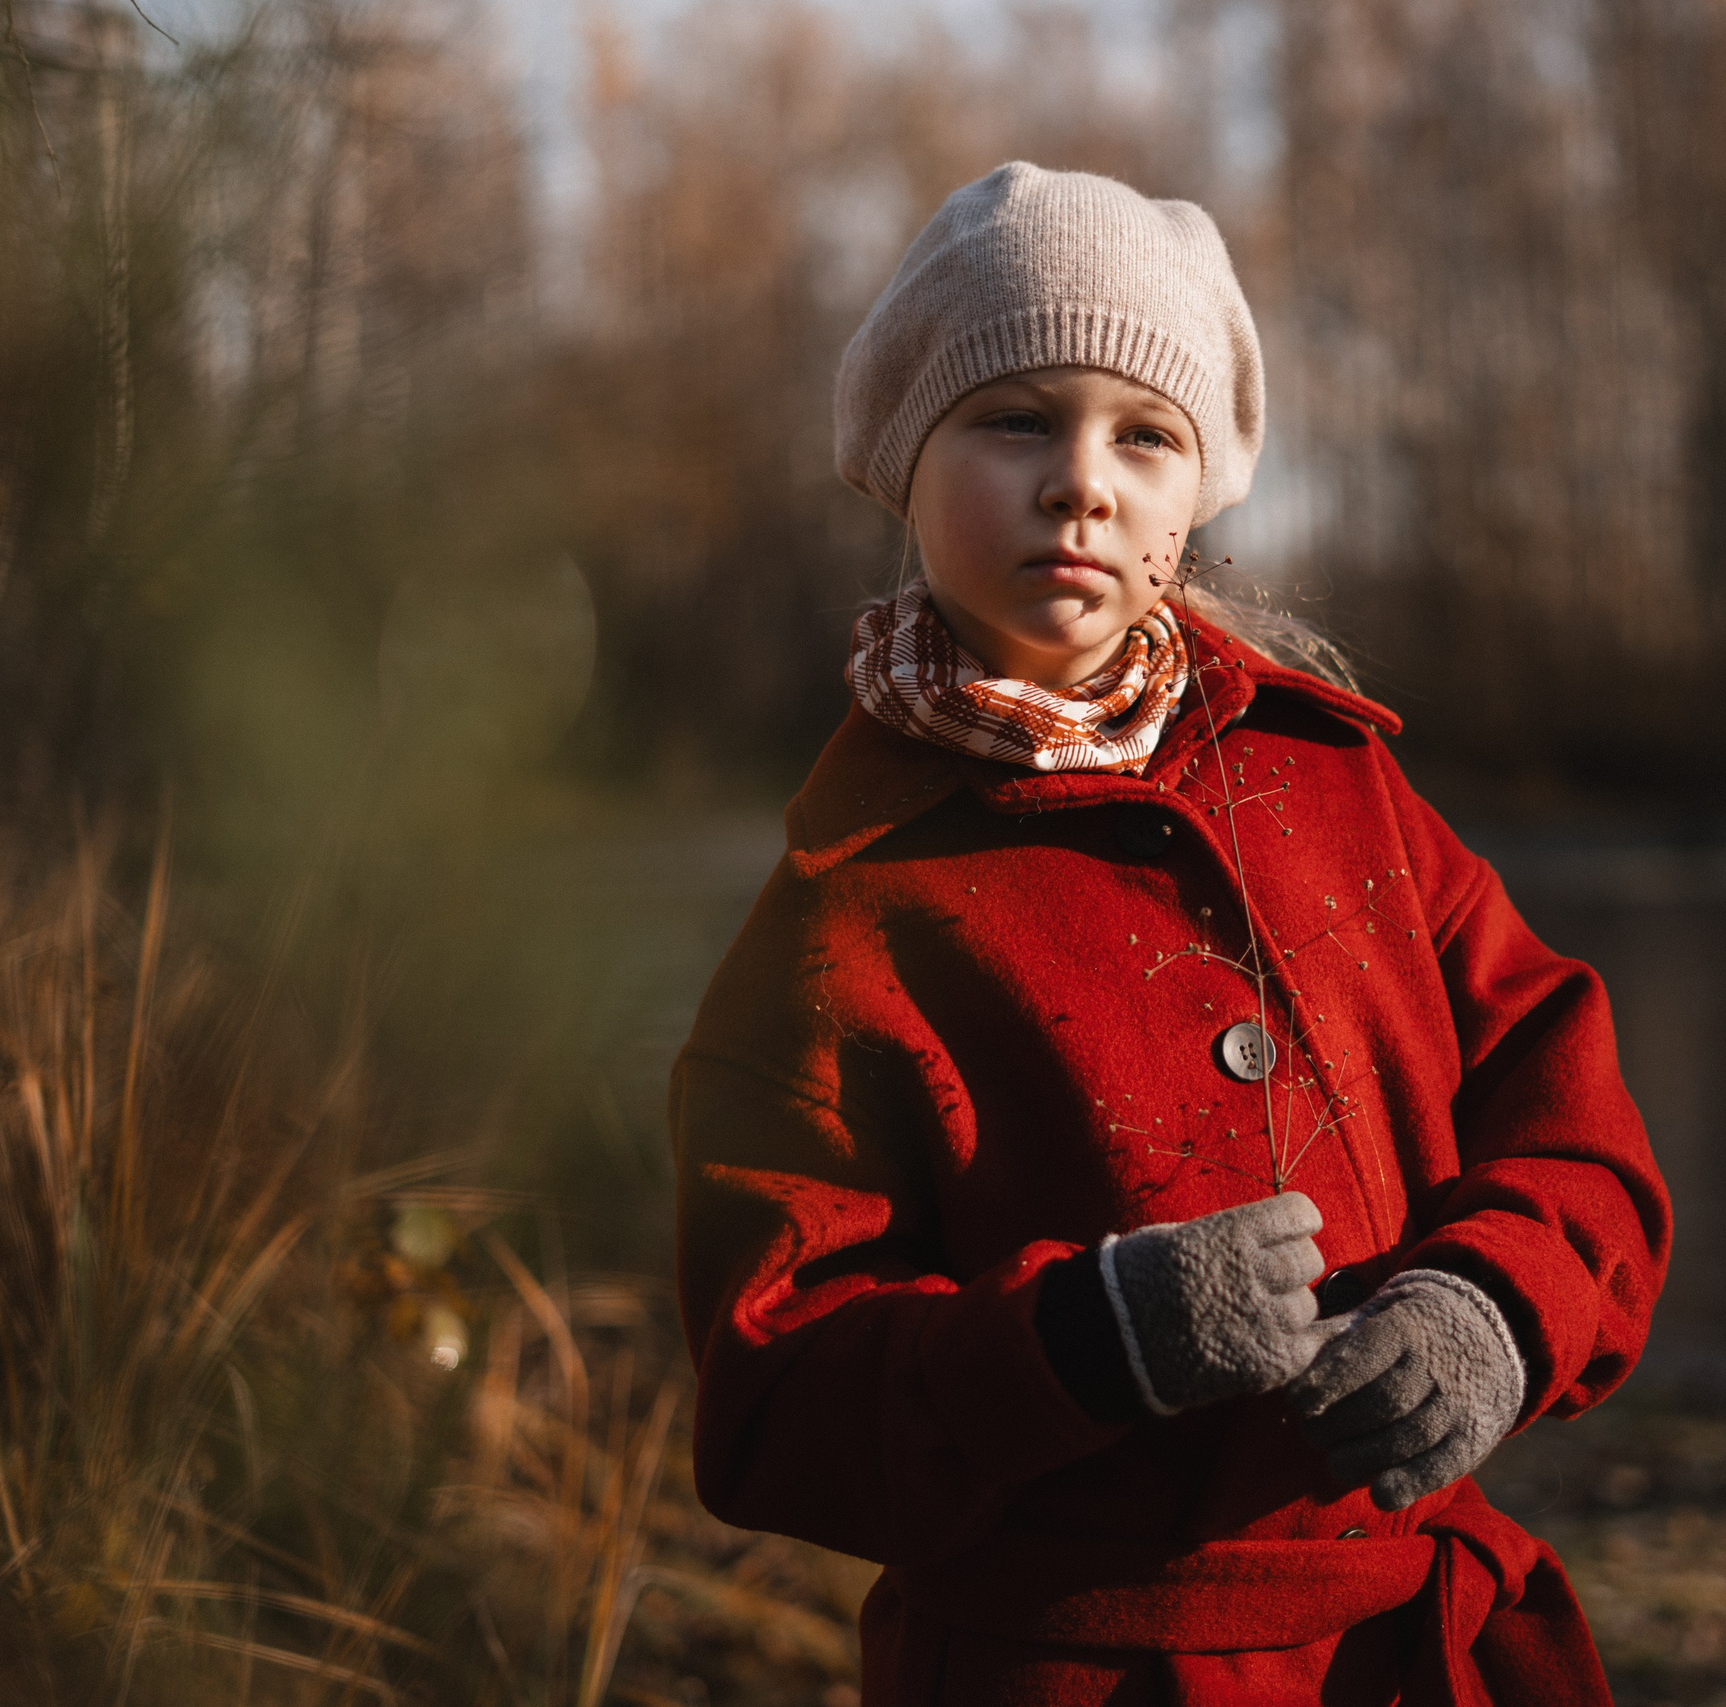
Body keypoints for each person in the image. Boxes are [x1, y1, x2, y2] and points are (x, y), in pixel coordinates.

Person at [671, 161, 1672, 1706]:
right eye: (1016, 420)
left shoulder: (1341, 785)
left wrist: (1495, 1309)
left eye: (1145, 436)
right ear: (902, 459)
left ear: (1201, 492)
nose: (1083, 480)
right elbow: (772, 1395)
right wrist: (1080, 1341)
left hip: (1405, 1654)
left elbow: (1572, 1114)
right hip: (1064, 1669)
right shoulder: (852, 902)